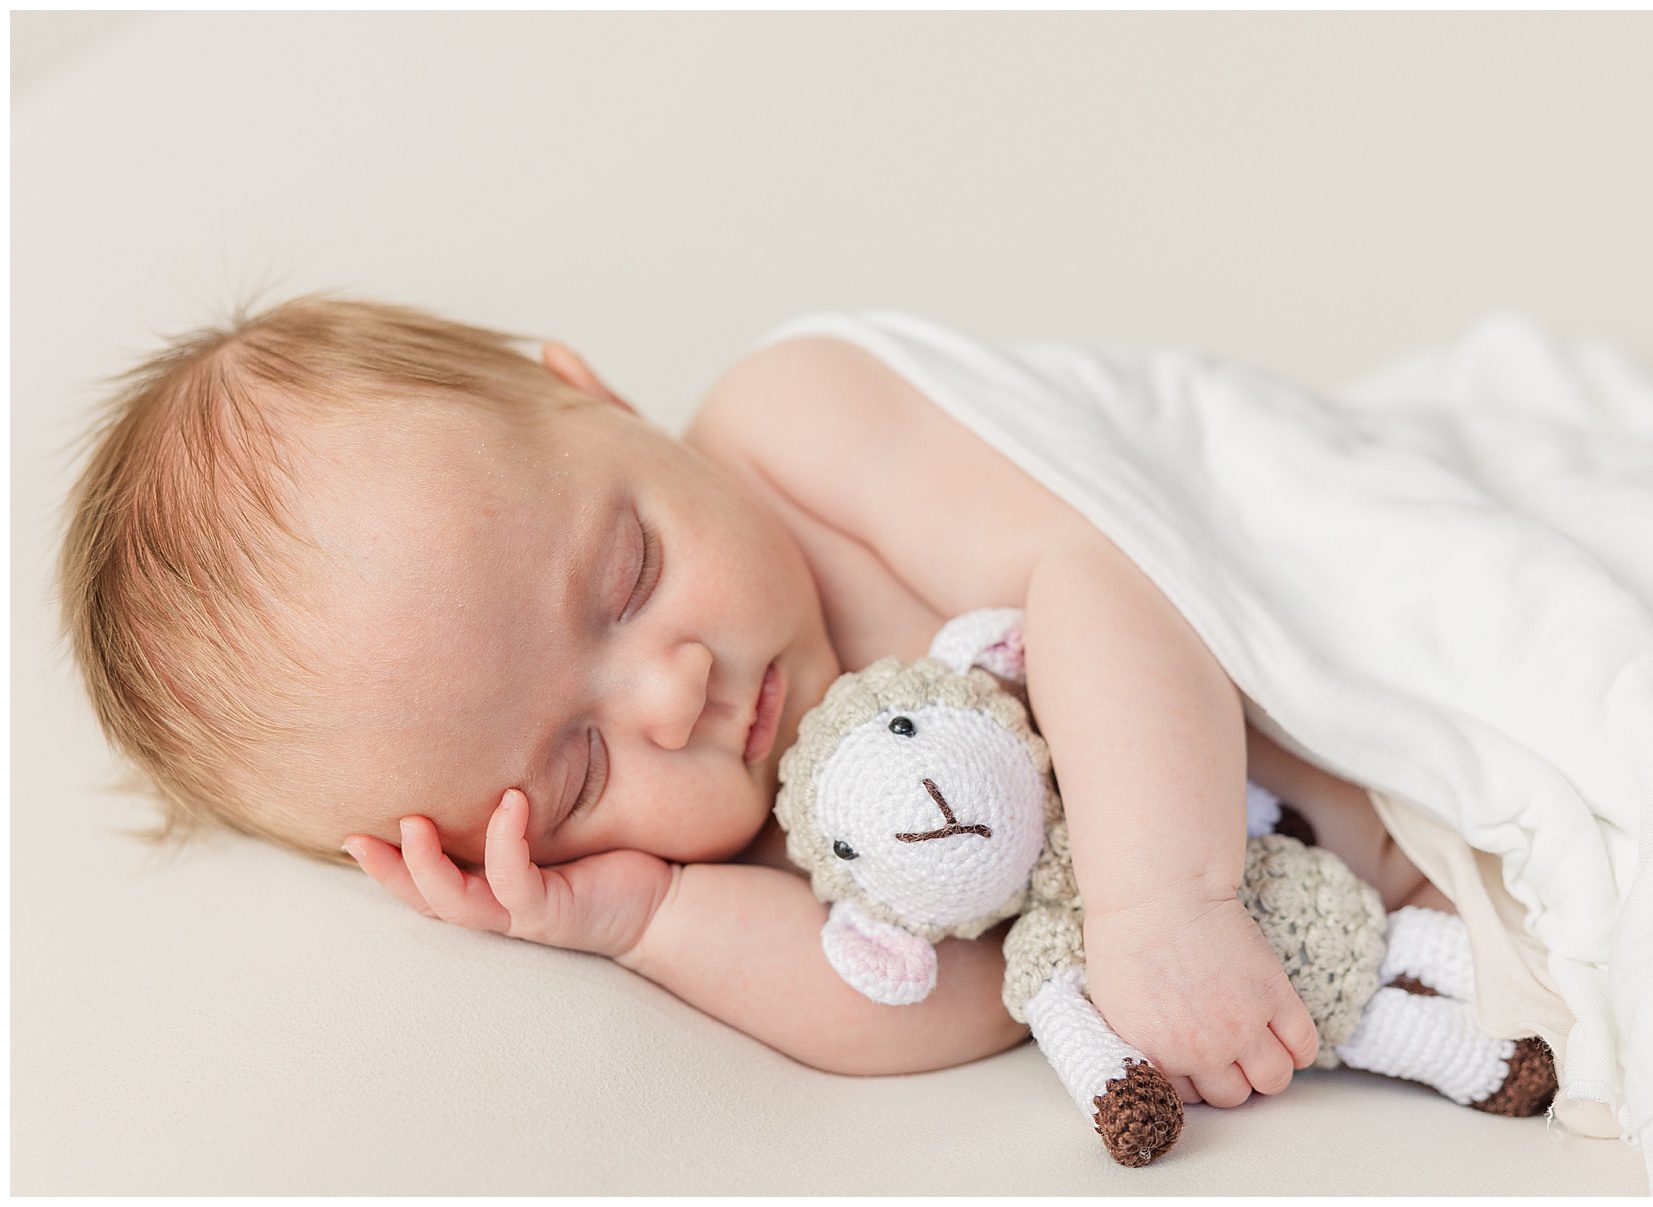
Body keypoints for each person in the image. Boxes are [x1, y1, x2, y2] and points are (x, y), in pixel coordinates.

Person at [59, 296, 1458, 1102]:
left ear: (594, 398)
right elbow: (964, 1001)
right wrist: (648, 917)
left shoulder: (798, 428)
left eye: (627, 573)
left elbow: (1097, 571)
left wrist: (1166, 903)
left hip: (1361, 628)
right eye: (575, 775)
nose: (669, 695)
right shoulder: (736, 843)